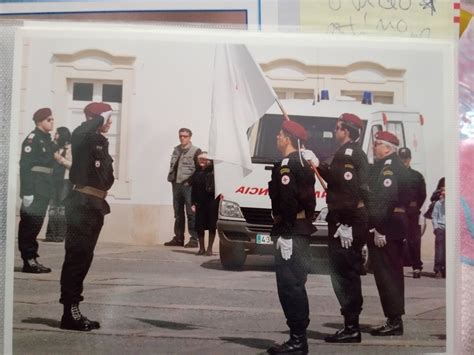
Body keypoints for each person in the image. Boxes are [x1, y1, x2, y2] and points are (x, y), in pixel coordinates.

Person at [59, 102, 114, 331]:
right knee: (76, 258)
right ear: (97, 119)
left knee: (84, 258)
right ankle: (69, 312)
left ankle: (74, 310)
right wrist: (99, 118)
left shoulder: (99, 141)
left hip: (95, 205)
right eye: (107, 119)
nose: (110, 123)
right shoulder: (83, 136)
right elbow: (81, 131)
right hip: (81, 205)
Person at [317, 113, 369, 343]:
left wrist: (346, 223)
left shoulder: (349, 153)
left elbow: (349, 189)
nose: (335, 132)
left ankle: (352, 327)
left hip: (346, 221)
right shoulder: (344, 153)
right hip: (342, 219)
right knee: (341, 272)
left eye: (337, 128)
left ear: (346, 130)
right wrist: (317, 165)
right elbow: (337, 181)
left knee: (346, 273)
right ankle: (350, 325)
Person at [267, 120, 316, 355]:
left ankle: (297, 340)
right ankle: (298, 337)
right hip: (301, 228)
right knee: (296, 284)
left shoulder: (287, 164)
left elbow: (287, 200)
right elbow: (309, 201)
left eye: (280, 134)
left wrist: (285, 232)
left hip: (291, 231)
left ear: (287, 138)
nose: (277, 137)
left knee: (290, 287)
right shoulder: (304, 163)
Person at [367, 131, 410, 337]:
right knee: (388, 275)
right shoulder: (386, 166)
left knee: (388, 276)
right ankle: (393, 319)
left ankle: (394, 321)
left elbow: (387, 198)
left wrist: (380, 229)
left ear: (387, 148)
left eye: (377, 144)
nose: (374, 147)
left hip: (388, 228)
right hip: (391, 226)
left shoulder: (388, 168)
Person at [18, 107, 55, 273]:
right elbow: (25, 166)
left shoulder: (47, 139)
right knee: (29, 225)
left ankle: (33, 258)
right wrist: (27, 192)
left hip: (44, 187)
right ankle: (28, 260)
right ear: (39, 121)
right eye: (49, 120)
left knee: (36, 224)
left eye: (52, 119)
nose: (52, 122)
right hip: (34, 187)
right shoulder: (32, 139)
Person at [164, 128, 202, 248]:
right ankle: (178, 238)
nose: (182, 138)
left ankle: (194, 239)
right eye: (180, 136)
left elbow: (198, 169)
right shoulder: (176, 149)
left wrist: (190, 181)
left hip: (188, 186)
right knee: (178, 213)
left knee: (191, 213)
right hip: (176, 185)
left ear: (190, 137)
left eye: (185, 136)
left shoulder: (196, 151)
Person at [398, 147, 426, 278]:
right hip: (397, 212)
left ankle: (416, 267)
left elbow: (422, 195)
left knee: (413, 240)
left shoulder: (417, 176)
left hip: (411, 213)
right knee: (397, 239)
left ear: (409, 159)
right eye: (401, 159)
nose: (404, 161)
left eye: (405, 159)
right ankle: (396, 266)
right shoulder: (393, 175)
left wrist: (414, 206)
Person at [45, 127, 72, 242]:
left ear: (63, 135)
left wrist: (59, 158)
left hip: (65, 181)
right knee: (52, 207)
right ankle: (50, 234)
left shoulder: (71, 149)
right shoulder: (55, 147)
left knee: (61, 208)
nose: (55, 135)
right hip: (54, 180)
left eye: (57, 133)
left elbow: (72, 165)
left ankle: (60, 234)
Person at [191, 152, 218, 256]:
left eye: (204, 159)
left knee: (212, 225)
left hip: (211, 202)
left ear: (209, 161)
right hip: (200, 203)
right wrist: (193, 203)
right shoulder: (197, 172)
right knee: (199, 226)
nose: (202, 161)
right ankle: (201, 248)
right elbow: (193, 189)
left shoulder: (213, 172)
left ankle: (209, 249)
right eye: (200, 159)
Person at [432, 186, 446, 278]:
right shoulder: (438, 203)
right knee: (439, 250)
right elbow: (434, 216)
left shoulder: (454, 202)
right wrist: (436, 228)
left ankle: (446, 269)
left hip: (451, 230)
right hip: (440, 228)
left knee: (448, 251)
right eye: (443, 191)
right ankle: (438, 269)